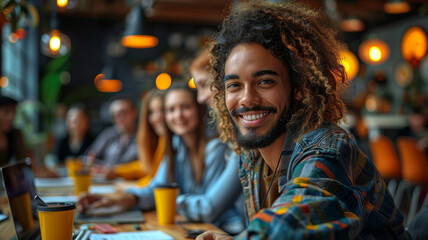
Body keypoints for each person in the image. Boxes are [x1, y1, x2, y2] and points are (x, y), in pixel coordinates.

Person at [197, 1, 410, 239]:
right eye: (234, 85)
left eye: (265, 81)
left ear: (298, 87)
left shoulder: (327, 149)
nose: (247, 99)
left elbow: (289, 226)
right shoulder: (252, 158)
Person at [77, 83, 243, 234]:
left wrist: (168, 200)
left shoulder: (216, 147)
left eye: (185, 107)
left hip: (226, 232)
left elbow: (208, 209)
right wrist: (119, 199)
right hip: (196, 230)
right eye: (171, 110)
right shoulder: (177, 145)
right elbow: (156, 188)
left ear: (200, 110)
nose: (178, 115)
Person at [114, 89, 167, 185]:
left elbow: (157, 180)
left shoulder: (172, 141)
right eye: (151, 112)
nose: (157, 117)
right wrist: (115, 171)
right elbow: (148, 168)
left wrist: (131, 188)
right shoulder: (157, 139)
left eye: (163, 110)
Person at [87, 96, 139, 179]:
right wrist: (93, 165)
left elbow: (146, 166)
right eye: (115, 115)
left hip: (132, 184)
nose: (119, 118)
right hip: (105, 183)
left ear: (134, 112)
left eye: (123, 113)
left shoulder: (144, 136)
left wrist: (115, 171)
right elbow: (91, 157)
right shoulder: (108, 134)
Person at [0, 95, 26, 165]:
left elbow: (23, 164)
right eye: (6, 112)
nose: (11, 118)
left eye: (14, 112)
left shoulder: (15, 133)